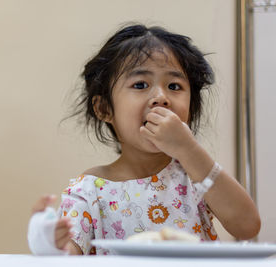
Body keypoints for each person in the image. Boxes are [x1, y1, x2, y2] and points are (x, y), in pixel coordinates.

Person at [28, 23, 261, 255]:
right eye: (140, 85)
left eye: (174, 86)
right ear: (104, 108)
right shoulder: (89, 191)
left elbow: (247, 226)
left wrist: (189, 150)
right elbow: (67, 255)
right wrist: (47, 242)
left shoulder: (194, 175)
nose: (161, 97)